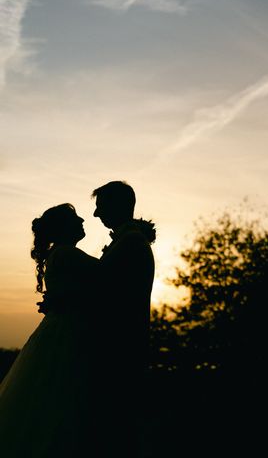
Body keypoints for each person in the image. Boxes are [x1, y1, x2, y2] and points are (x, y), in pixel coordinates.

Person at [0, 204, 99, 457]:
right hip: (69, 333)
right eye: (75, 218)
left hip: (62, 328)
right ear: (65, 227)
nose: (82, 220)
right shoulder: (66, 254)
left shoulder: (60, 254)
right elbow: (108, 273)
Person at [90, 181, 156, 457]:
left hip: (121, 346)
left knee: (118, 426)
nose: (95, 215)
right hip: (122, 343)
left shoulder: (129, 242)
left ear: (117, 206)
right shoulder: (127, 239)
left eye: (100, 207)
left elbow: (101, 289)